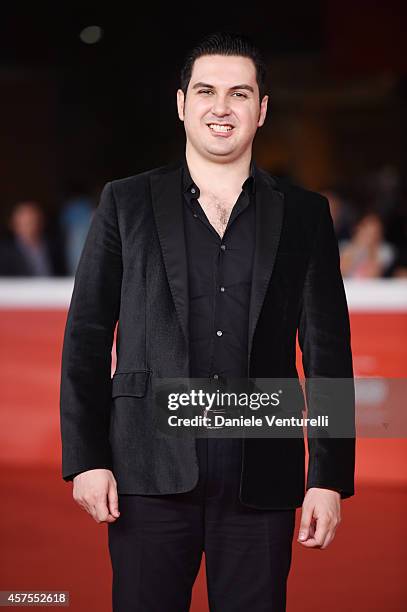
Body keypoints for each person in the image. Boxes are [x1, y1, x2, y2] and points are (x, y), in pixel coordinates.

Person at [60, 32, 355, 612]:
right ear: (182, 103)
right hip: (146, 468)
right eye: (207, 91)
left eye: (240, 93)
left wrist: (328, 474)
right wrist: (87, 459)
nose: (222, 107)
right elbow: (87, 336)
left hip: (261, 477)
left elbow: (327, 350)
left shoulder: (304, 214)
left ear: (262, 109)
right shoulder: (126, 202)